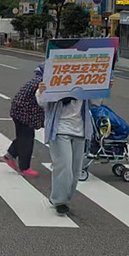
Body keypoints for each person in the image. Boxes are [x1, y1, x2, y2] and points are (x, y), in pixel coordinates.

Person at [35, 81, 112, 215]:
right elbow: (43, 104)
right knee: (64, 166)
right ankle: (59, 200)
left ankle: (65, 198)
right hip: (59, 129)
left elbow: (94, 103)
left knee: (75, 170)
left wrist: (103, 87)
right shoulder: (55, 80)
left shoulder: (85, 83)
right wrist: (42, 91)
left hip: (80, 130)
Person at [3, 64, 47, 178]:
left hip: (18, 111)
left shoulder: (36, 80)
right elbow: (42, 101)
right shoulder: (42, 83)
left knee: (23, 136)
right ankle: (24, 167)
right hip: (25, 113)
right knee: (27, 140)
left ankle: (10, 155)